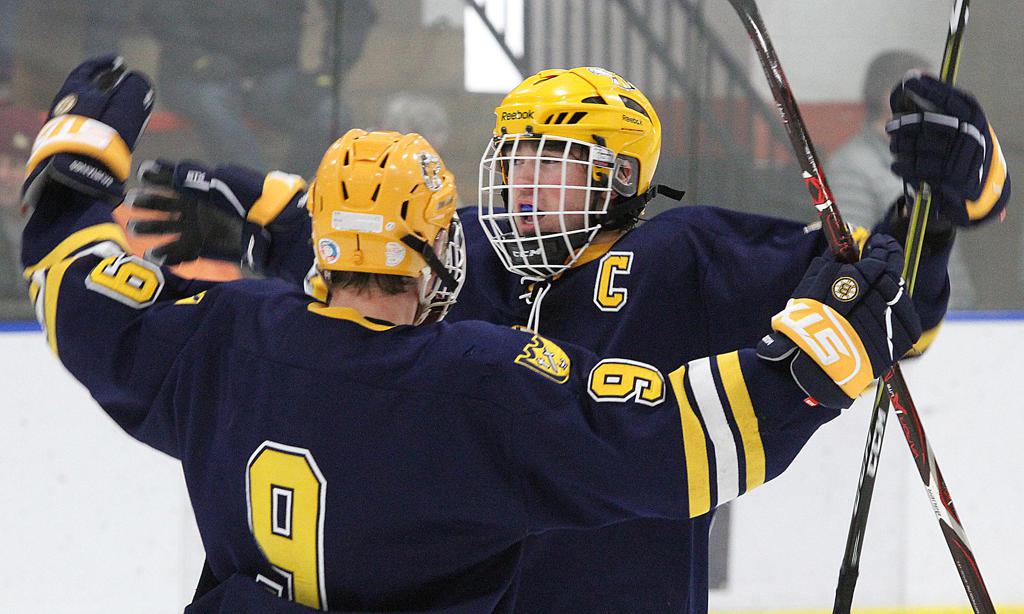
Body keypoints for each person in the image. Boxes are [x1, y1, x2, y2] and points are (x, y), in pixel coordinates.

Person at [24, 57, 927, 612]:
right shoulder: (478, 383)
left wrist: (70, 172)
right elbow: (678, 441)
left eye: (553, 166)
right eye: (515, 162)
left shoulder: (227, 335)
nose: (521, 191)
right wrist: (814, 365)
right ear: (442, 249)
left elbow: (73, 287)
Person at [138, 0, 377, 175]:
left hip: (272, 75)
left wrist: (327, 74)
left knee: (331, 116)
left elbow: (353, 10)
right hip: (198, 74)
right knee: (217, 110)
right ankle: (259, 200)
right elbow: (159, 8)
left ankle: (285, 196)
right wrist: (195, 58)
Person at [827, 50, 986, 309]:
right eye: (927, 92)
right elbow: (853, 255)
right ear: (888, 97)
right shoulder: (852, 164)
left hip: (959, 316)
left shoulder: (934, 163)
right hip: (899, 319)